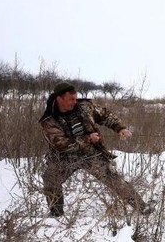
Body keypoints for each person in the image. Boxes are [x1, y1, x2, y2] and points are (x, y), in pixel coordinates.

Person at [39, 82, 153, 217]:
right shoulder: (49, 120)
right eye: (71, 100)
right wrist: (88, 139)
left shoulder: (85, 107)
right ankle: (56, 214)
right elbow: (61, 145)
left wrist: (120, 128)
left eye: (76, 99)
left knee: (114, 179)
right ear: (59, 99)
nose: (74, 102)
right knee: (50, 179)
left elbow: (104, 115)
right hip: (64, 157)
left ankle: (142, 207)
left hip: (90, 153)